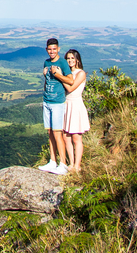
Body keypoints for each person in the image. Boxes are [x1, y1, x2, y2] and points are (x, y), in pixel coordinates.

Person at [36, 37, 73, 176]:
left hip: (57, 102)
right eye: (50, 49)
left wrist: (57, 74)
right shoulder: (46, 62)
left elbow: (70, 80)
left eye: (54, 49)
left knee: (58, 133)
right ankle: (52, 161)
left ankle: (63, 164)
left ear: (58, 49)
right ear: (47, 50)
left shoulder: (62, 63)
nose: (52, 51)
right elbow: (47, 81)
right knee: (50, 132)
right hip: (47, 101)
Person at [62, 49, 90, 173]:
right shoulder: (67, 73)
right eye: (68, 58)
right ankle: (71, 163)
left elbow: (71, 88)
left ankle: (77, 165)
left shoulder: (81, 73)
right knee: (66, 137)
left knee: (76, 138)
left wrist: (60, 77)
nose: (70, 61)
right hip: (66, 105)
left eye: (72, 58)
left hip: (76, 105)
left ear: (77, 59)